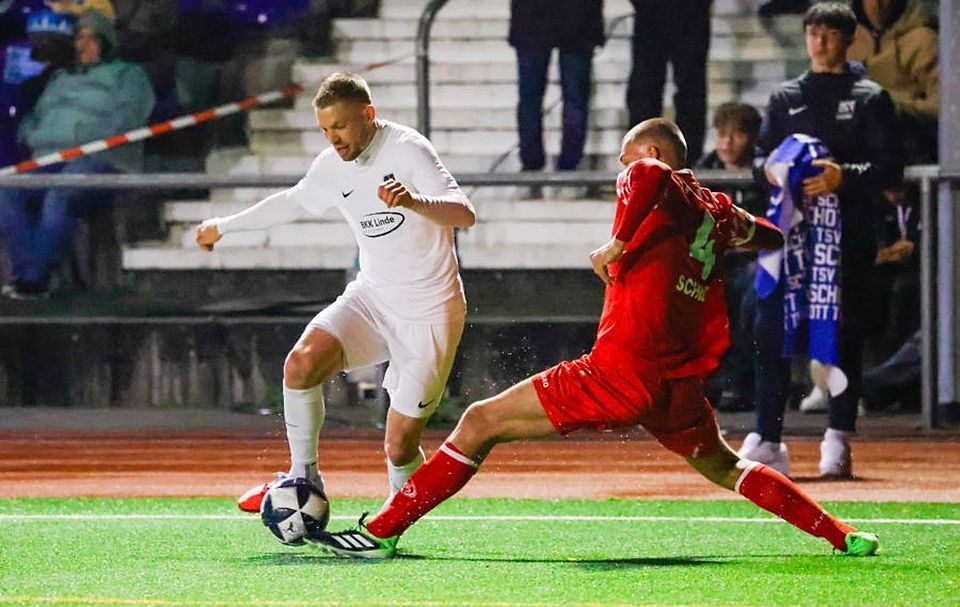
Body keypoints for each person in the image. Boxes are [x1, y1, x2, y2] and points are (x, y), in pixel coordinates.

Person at [309, 118, 881, 560]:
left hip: (617, 370)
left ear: (652, 153)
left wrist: (615, 243)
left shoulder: (654, 177)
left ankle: (379, 531)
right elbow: (772, 233)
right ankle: (841, 533)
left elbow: (651, 176)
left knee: (480, 423)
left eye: (624, 159)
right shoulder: (714, 209)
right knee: (727, 467)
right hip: (675, 384)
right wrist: (727, 229)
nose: (619, 171)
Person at [194, 72, 476, 515]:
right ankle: (303, 476)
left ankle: (395, 523)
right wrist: (223, 227)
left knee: (400, 445)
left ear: (368, 114)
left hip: (430, 310)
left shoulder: (408, 149)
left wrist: (413, 201)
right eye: (325, 131)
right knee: (301, 363)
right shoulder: (331, 164)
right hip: (372, 297)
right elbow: (291, 203)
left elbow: (465, 213)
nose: (334, 140)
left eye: (341, 127)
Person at [739, 2, 902, 478]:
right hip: (789, 239)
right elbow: (760, 160)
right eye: (812, 32)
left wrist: (842, 177)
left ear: (848, 39)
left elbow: (891, 168)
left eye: (829, 33)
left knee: (841, 332)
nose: (819, 41)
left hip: (844, 236)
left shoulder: (871, 97)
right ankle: (768, 435)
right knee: (770, 329)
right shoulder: (786, 96)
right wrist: (768, 170)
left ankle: (838, 434)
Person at [0, 10, 154, 298]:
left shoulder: (128, 76)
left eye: (91, 38)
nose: (82, 45)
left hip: (99, 159)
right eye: (79, 38)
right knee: (6, 191)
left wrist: (83, 137)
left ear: (105, 42)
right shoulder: (60, 78)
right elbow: (34, 116)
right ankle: (28, 273)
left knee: (60, 193)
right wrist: (31, 134)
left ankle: (33, 281)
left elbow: (128, 119)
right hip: (47, 158)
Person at [697, 103, 765, 411]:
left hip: (757, 261)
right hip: (716, 261)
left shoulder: (766, 173)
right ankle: (705, 384)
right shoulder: (703, 172)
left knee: (753, 294)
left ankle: (740, 383)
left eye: (735, 135)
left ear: (751, 138)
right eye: (721, 135)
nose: (726, 143)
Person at [508, 0, 604, 174]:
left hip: (532, 17)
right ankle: (569, 164)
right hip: (578, 19)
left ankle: (532, 163)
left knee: (531, 98)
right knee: (575, 98)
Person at [848, 0, 938, 165]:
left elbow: (943, 109)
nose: (877, 4)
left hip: (910, 151)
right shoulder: (844, 40)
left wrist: (892, 104)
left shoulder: (924, 41)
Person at [626, 0, 712, 165]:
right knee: (645, 90)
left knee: (689, 89)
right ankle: (642, 159)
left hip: (691, 12)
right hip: (652, 12)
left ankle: (686, 161)